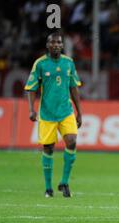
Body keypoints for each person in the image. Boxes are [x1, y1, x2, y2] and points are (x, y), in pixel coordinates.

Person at [25, 32, 83, 197]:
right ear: (48, 45)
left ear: (62, 46)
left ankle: (64, 182)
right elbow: (31, 88)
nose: (56, 45)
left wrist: (79, 112)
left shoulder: (69, 63)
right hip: (47, 114)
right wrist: (31, 109)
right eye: (53, 42)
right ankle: (48, 188)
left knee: (71, 142)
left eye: (59, 42)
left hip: (66, 111)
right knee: (48, 148)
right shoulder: (40, 64)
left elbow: (74, 87)